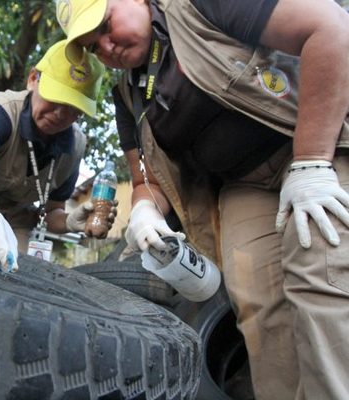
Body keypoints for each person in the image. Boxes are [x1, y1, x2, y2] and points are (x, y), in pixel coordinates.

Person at [56, 0, 349, 399]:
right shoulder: (126, 95)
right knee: (256, 305)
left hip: (317, 149)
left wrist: (312, 160)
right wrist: (144, 210)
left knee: (317, 272)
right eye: (92, 47)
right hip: (242, 186)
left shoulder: (197, 7)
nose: (106, 47)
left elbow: (330, 29)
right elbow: (147, 180)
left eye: (106, 25)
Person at [0, 40, 116, 274]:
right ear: (33, 79)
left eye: (73, 108)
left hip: (12, 226)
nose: (59, 114)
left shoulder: (74, 146)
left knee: (12, 288)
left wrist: (69, 221)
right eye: (55, 98)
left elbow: (52, 212)